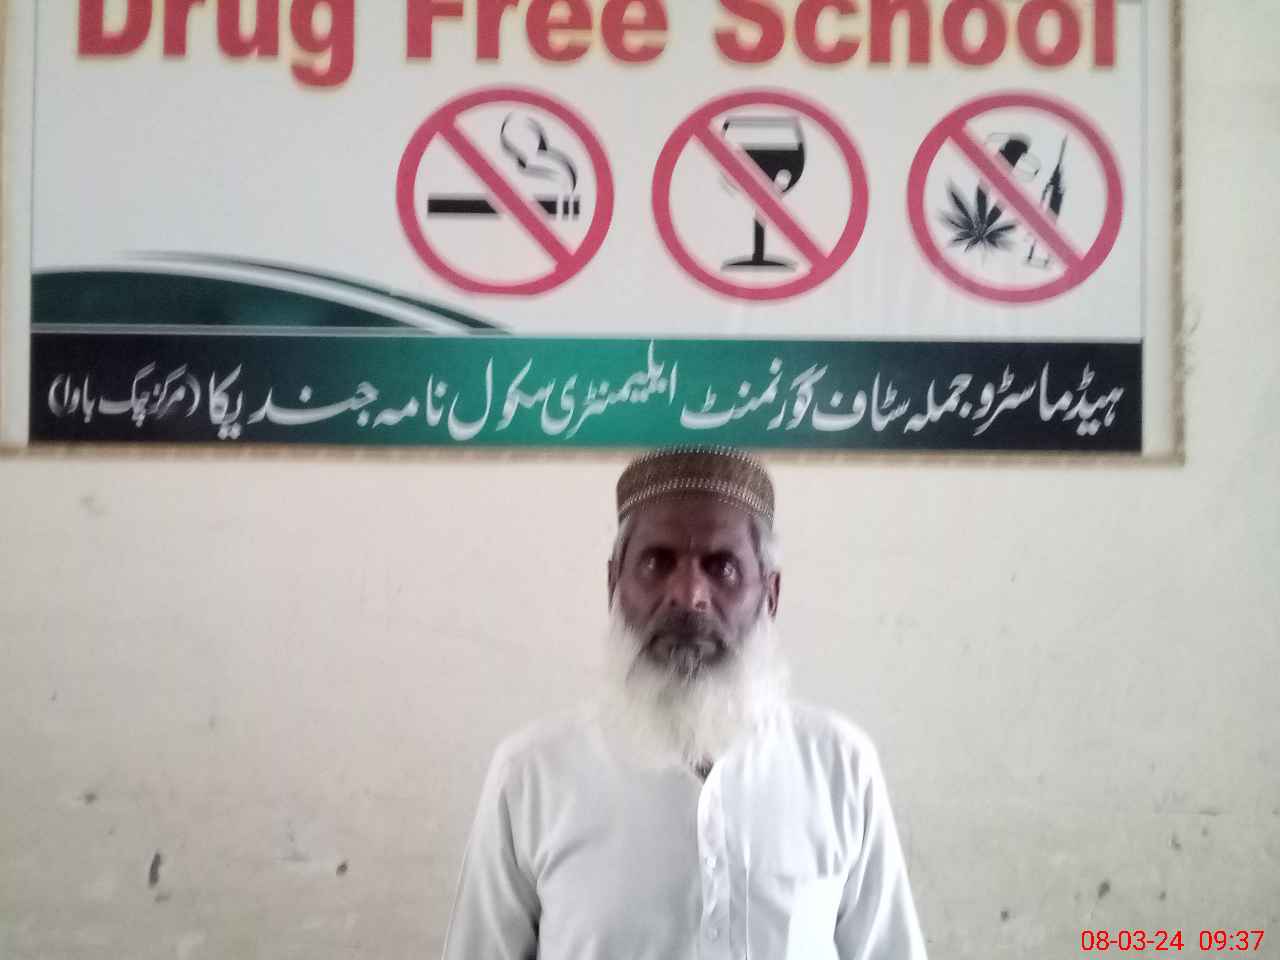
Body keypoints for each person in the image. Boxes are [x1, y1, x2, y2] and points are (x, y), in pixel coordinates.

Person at [441, 446, 927, 959]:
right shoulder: (531, 774)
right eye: (657, 563)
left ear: (771, 594)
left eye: (723, 568)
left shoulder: (840, 767)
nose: (689, 593)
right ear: (613, 583)